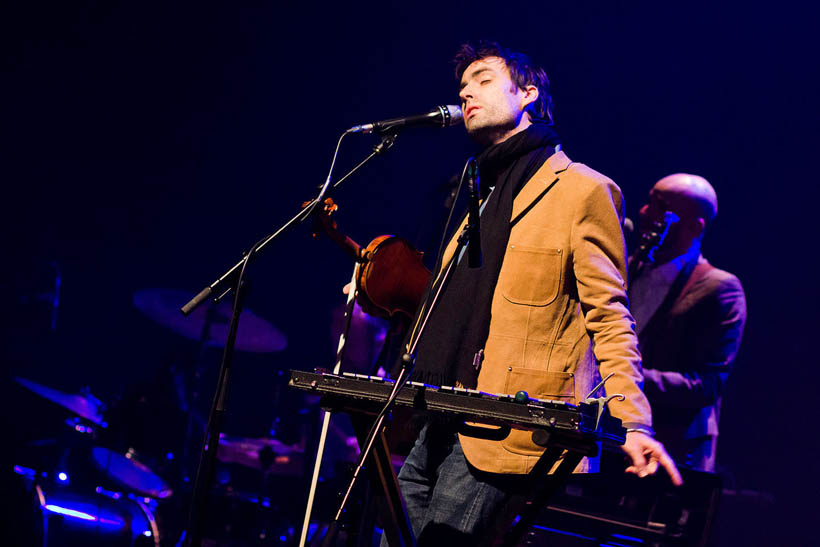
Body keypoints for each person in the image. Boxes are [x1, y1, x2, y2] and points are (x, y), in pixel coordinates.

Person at [382, 41, 682, 544]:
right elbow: (452, 300)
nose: (465, 94)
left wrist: (635, 424)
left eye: (481, 80)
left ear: (528, 93)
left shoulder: (583, 190)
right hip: (440, 413)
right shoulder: (479, 189)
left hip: (506, 426)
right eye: (461, 87)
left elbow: (608, 315)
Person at [629, 173, 746, 472]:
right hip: (619, 433)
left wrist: (623, 375)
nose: (644, 212)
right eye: (649, 201)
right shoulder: (630, 268)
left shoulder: (720, 288)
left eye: (661, 207)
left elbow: (707, 385)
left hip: (676, 447)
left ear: (695, 227)